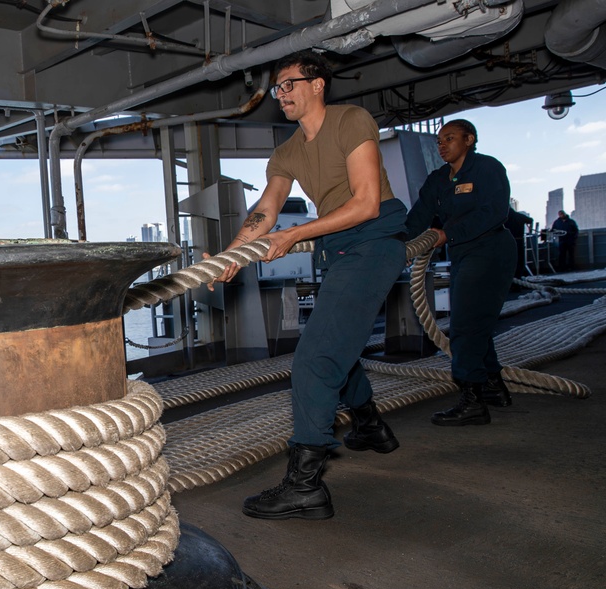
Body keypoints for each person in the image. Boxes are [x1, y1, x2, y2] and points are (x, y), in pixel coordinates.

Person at [209, 50, 408, 521]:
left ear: (318, 84)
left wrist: (297, 234)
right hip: (335, 248)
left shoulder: (351, 121)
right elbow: (267, 209)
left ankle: (305, 486)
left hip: (372, 241)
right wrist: (232, 254)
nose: (281, 95)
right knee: (335, 345)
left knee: (315, 359)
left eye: (289, 84)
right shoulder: (287, 151)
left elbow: (366, 204)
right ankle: (369, 425)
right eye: (277, 89)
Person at [405, 120, 516, 426]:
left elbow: (494, 212)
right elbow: (418, 217)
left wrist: (446, 234)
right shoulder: (439, 179)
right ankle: (493, 387)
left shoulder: (487, 169)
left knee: (465, 325)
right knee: (476, 322)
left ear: (469, 140)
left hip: (491, 250)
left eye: (449, 139)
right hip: (463, 254)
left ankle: (472, 401)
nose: (442, 145)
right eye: (439, 141)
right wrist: (394, 244)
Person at [504, 208, 532, 283]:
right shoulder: (519, 216)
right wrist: (530, 229)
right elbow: (530, 220)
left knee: (509, 262)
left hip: (508, 242)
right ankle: (518, 281)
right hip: (520, 241)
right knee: (519, 262)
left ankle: (511, 282)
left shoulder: (504, 218)